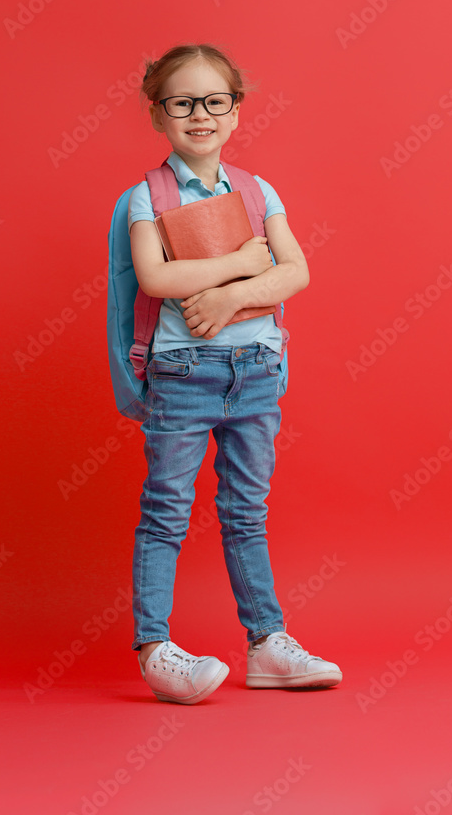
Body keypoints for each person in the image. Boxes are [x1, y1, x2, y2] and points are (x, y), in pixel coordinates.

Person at [128, 43, 341, 704]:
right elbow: (157, 277)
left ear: (236, 111)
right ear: (158, 115)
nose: (201, 115)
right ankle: (155, 648)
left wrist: (226, 297)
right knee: (167, 512)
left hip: (255, 371)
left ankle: (266, 643)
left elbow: (296, 271)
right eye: (182, 103)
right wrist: (244, 261)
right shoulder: (146, 198)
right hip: (184, 373)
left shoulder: (258, 190)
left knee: (247, 511)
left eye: (215, 101)